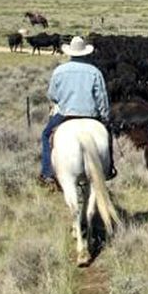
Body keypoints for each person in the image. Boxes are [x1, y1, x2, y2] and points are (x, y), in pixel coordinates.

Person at [39, 36, 116, 184]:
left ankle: (47, 172)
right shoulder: (94, 71)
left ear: (70, 52)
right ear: (85, 53)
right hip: (91, 116)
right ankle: (109, 168)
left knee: (46, 135)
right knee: (107, 135)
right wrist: (105, 116)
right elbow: (101, 97)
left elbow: (52, 95)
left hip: (66, 114)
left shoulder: (60, 71)